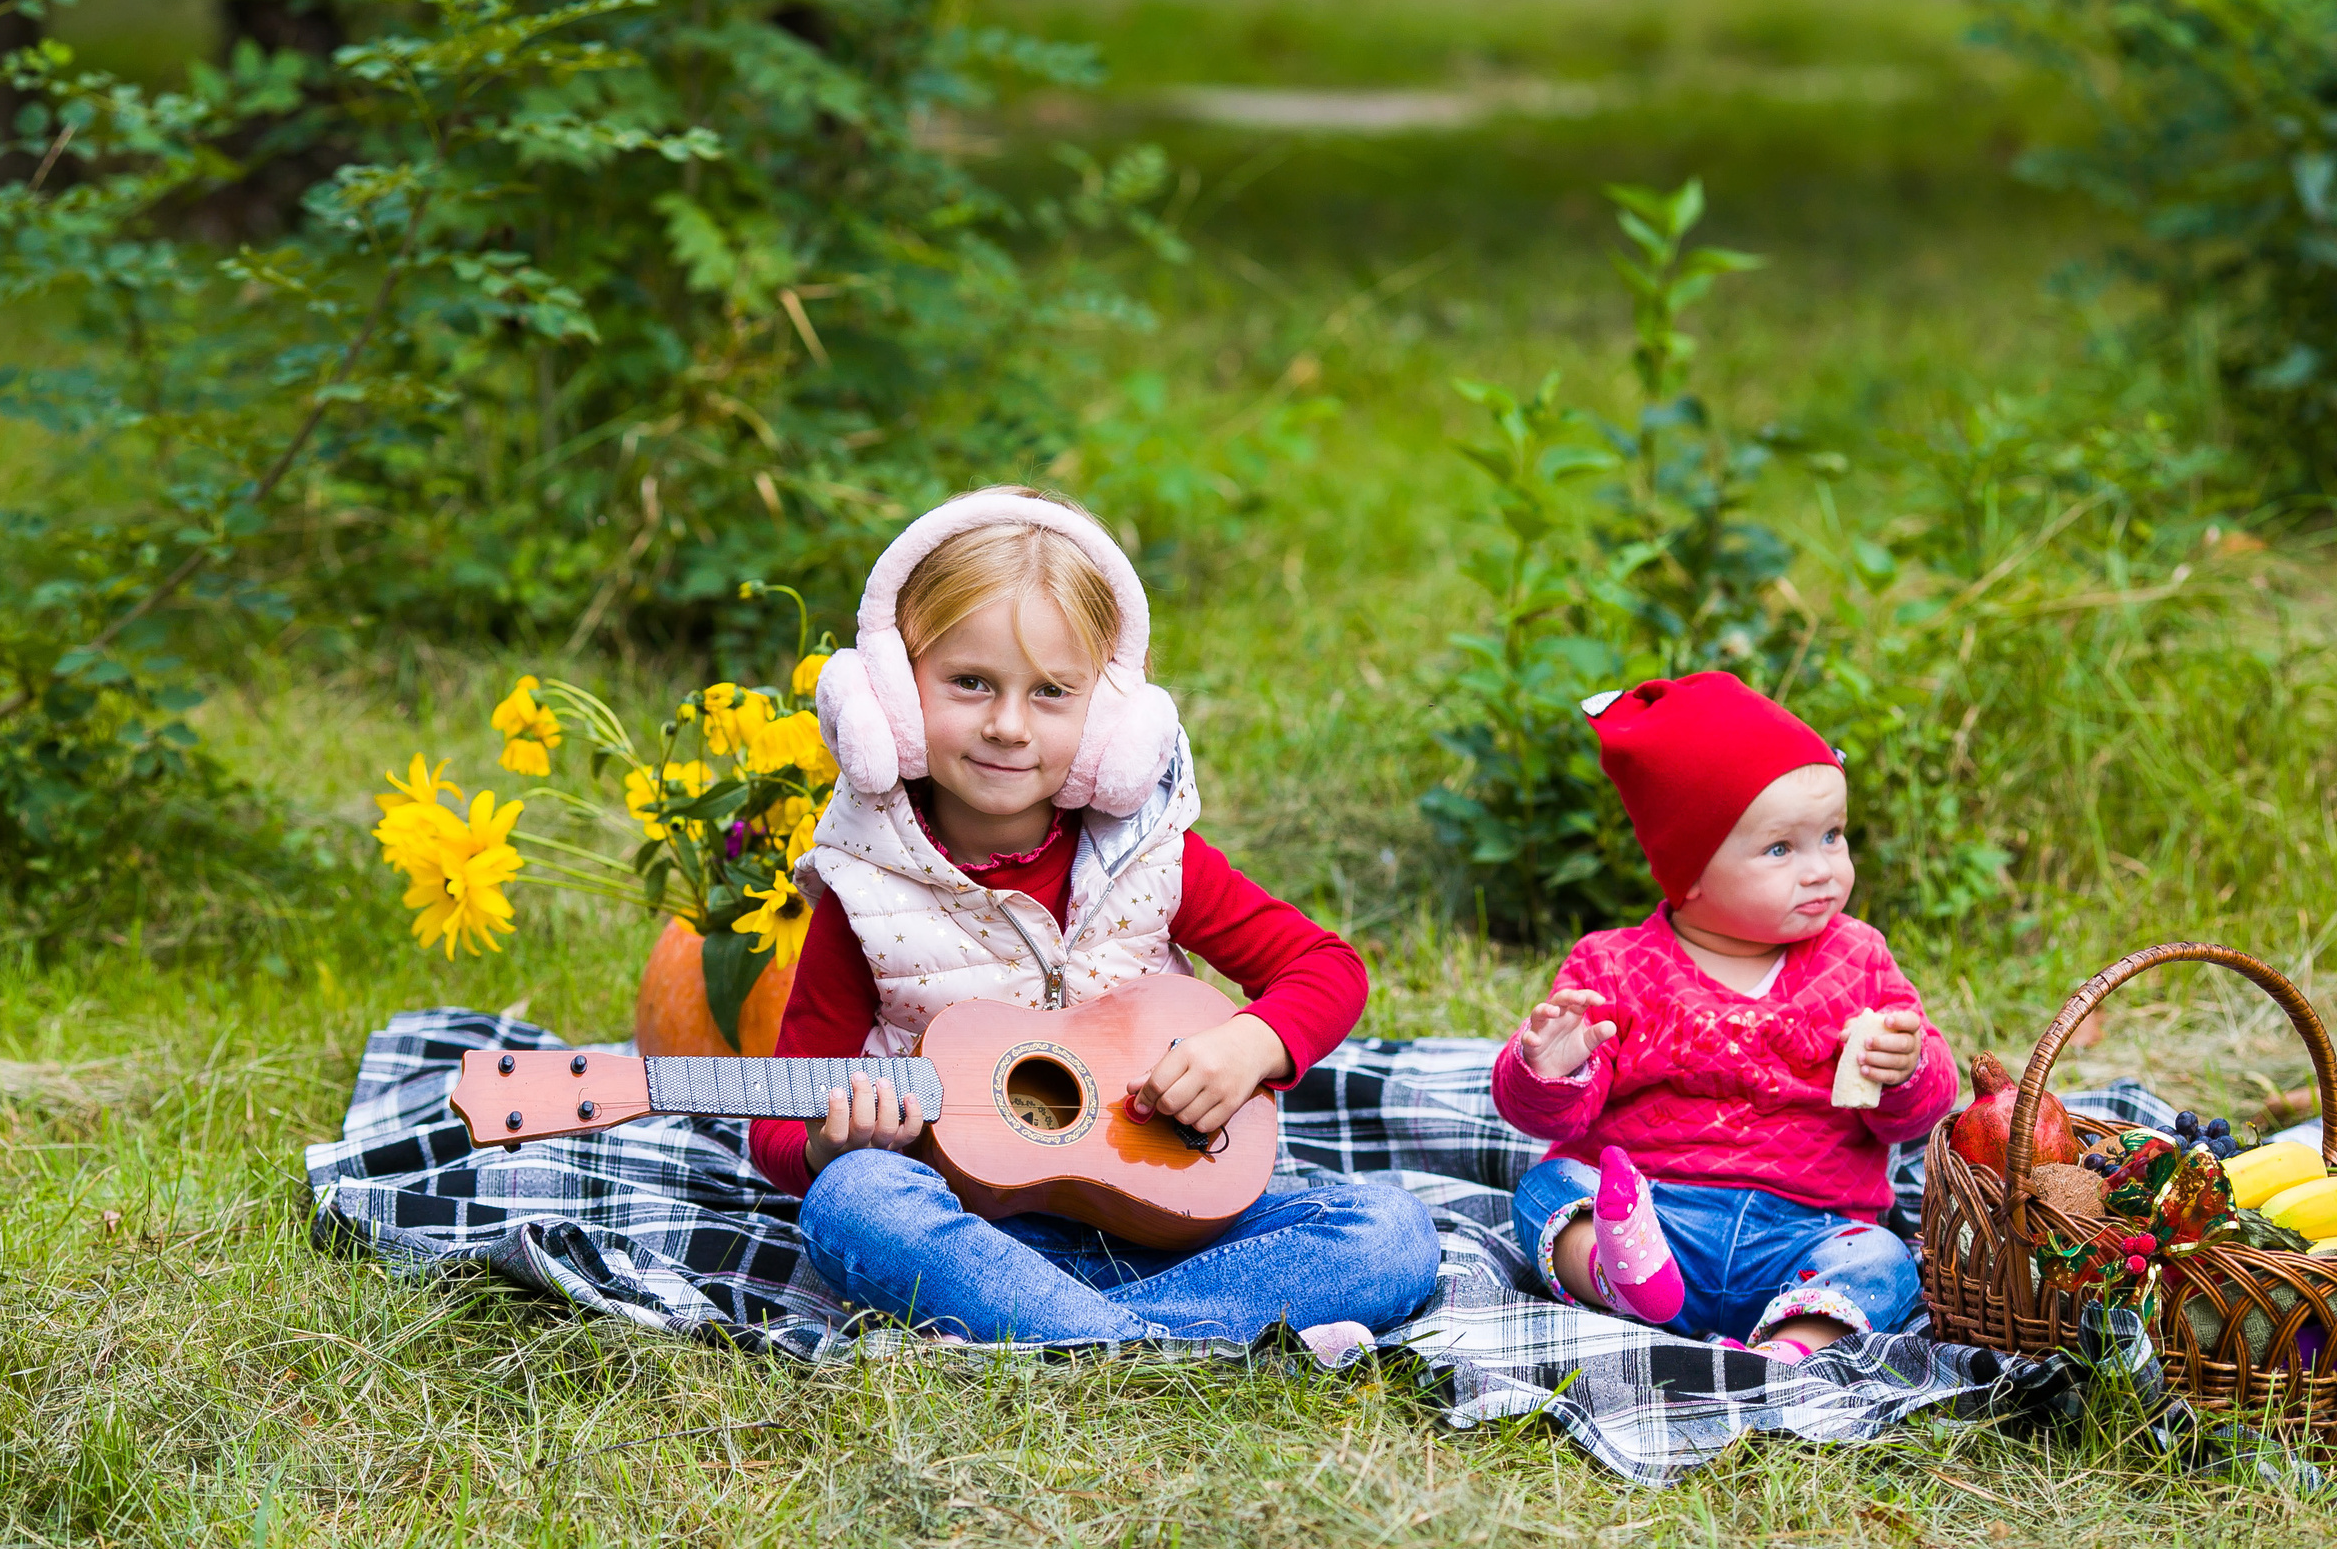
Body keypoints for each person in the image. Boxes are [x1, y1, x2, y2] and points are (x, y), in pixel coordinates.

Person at [749, 487, 1440, 1350]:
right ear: (890, 697)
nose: (1007, 724)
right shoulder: (867, 894)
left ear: (1112, 719)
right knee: (852, 1206)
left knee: (1392, 1231)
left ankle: (1086, 1340)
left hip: (1168, 1223)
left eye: (1050, 692)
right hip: (974, 1235)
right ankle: (1164, 1342)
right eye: (970, 682)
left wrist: (1249, 1045)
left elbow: (1328, 967)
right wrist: (827, 1145)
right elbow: (772, 1123)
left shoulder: (1154, 862)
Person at [1492, 673, 1955, 1364]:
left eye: (1833, 836)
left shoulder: (1858, 960)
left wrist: (1906, 1071)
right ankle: (1620, 1275)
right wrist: (1548, 1069)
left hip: (1806, 1233)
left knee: (1885, 1256)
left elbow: (1913, 1118)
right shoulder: (1613, 965)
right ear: (1691, 869)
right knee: (1546, 1191)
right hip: (1653, 1211)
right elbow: (1553, 1119)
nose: (1821, 869)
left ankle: (1790, 1347)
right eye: (1781, 849)